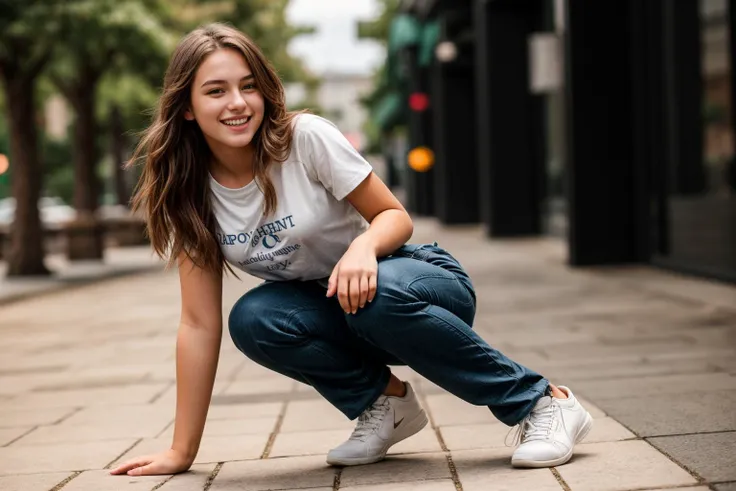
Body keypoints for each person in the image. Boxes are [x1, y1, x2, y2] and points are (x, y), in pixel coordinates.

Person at [110, 23, 593, 478]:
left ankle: (542, 403)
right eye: (216, 91)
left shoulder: (304, 139)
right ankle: (385, 405)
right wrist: (181, 451)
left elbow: (395, 217)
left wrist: (363, 248)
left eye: (248, 85)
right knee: (253, 319)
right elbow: (198, 324)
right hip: (339, 309)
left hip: (411, 282)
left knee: (373, 295)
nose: (237, 103)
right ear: (188, 107)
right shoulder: (191, 193)